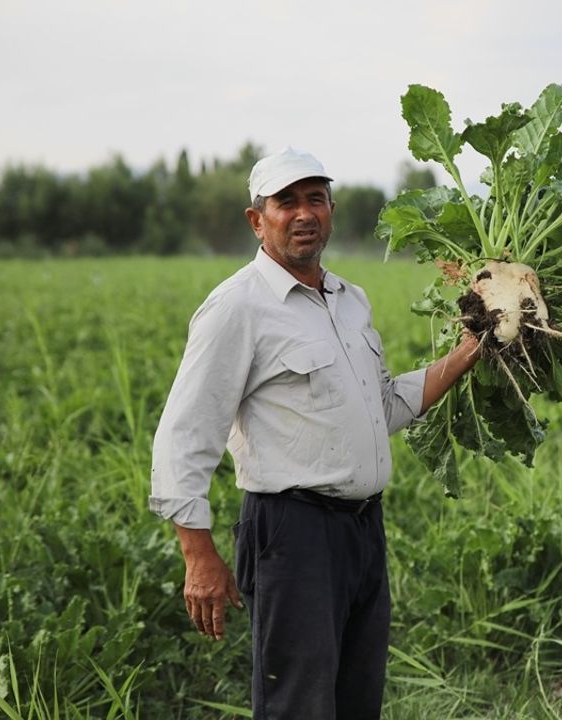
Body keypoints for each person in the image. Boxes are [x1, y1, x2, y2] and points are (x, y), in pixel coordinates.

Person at [149, 147, 479, 719]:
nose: (304, 213)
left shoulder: (350, 301)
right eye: (286, 202)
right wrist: (197, 554)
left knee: (357, 700)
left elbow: (383, 406)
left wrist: (474, 346)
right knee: (298, 705)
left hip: (362, 532)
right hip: (291, 534)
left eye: (316, 199)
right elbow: (184, 434)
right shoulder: (237, 307)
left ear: (331, 210)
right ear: (257, 220)